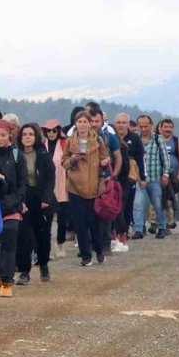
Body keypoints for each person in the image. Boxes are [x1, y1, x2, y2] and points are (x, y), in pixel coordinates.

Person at [62, 110, 110, 266]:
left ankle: (99, 249)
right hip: (75, 187)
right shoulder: (70, 141)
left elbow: (105, 158)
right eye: (79, 122)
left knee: (93, 222)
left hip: (94, 187)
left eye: (85, 122)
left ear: (90, 124)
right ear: (75, 124)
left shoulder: (99, 141)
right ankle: (85, 255)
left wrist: (104, 163)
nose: (82, 125)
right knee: (80, 224)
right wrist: (74, 159)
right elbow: (64, 162)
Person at [0, 120, 26, 297]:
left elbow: (23, 182)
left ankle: (7, 281)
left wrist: (16, 200)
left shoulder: (17, 155)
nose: (0, 138)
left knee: (9, 244)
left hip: (12, 206)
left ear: (9, 135)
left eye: (3, 135)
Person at [14, 123, 56, 284]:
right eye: (24, 134)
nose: (27, 137)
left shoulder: (43, 155)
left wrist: (46, 198)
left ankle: (44, 264)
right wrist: (19, 200)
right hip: (24, 198)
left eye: (30, 134)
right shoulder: (16, 154)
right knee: (24, 236)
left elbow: (51, 178)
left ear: (36, 137)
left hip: (42, 199)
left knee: (43, 235)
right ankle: (24, 271)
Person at [133, 114, 170, 240]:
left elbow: (166, 159)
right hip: (139, 179)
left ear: (151, 126)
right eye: (141, 126)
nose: (143, 129)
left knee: (158, 204)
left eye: (146, 126)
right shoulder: (135, 140)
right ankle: (138, 229)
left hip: (155, 178)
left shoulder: (158, 139)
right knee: (138, 205)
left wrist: (165, 174)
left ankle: (162, 227)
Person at [113, 112, 145, 250]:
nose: (121, 125)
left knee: (126, 207)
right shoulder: (111, 138)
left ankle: (123, 234)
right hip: (114, 178)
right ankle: (115, 235)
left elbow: (140, 160)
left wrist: (142, 178)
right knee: (114, 207)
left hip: (129, 178)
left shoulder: (135, 138)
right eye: (118, 122)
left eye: (123, 123)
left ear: (128, 124)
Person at [42, 120, 70, 259]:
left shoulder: (65, 144)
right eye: (49, 131)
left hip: (63, 185)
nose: (51, 133)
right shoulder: (42, 146)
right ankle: (47, 247)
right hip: (47, 187)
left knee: (62, 219)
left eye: (54, 130)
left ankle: (61, 243)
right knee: (47, 219)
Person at [158, 118, 179, 230]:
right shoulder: (156, 140)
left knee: (171, 199)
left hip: (173, 177)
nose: (168, 129)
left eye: (170, 127)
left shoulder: (177, 141)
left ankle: (170, 222)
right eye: (165, 127)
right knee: (158, 199)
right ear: (160, 128)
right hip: (158, 176)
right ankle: (158, 223)